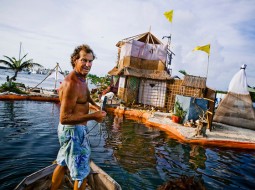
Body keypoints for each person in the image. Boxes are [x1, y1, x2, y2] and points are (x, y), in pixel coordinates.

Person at [51, 44, 106, 190]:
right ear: (75, 60)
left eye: (90, 61)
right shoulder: (72, 83)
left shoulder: (81, 79)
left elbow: (86, 97)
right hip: (73, 131)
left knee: (62, 163)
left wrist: (95, 106)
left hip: (69, 131)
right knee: (82, 173)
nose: (88, 64)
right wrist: (93, 116)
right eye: (84, 60)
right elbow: (64, 118)